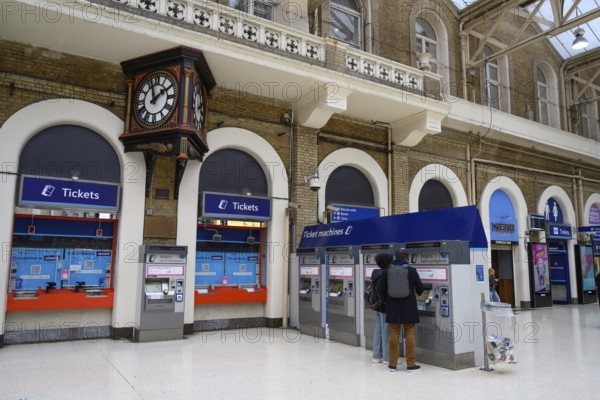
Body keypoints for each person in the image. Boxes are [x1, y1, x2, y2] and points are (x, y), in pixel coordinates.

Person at [377, 250, 424, 373]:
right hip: (409, 305)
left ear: (394, 258)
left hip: (393, 305)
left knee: (394, 332)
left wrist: (386, 301)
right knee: (410, 333)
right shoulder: (411, 270)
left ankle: (392, 364)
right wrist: (417, 292)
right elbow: (420, 288)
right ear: (406, 258)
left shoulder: (387, 271)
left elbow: (379, 289)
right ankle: (411, 365)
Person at [371, 253, 392, 364]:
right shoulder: (387, 273)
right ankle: (387, 358)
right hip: (385, 306)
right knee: (386, 331)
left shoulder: (375, 272)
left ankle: (376, 356)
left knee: (378, 330)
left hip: (377, 305)